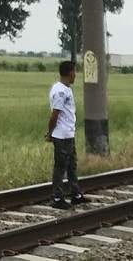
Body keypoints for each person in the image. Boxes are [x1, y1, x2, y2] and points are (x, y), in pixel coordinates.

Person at [46, 60, 88, 209]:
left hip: (68, 133)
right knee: (60, 167)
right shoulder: (60, 91)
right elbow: (54, 114)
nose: (75, 75)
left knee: (71, 165)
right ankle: (57, 198)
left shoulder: (66, 89)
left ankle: (75, 194)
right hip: (62, 135)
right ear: (70, 72)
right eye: (75, 72)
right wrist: (50, 133)